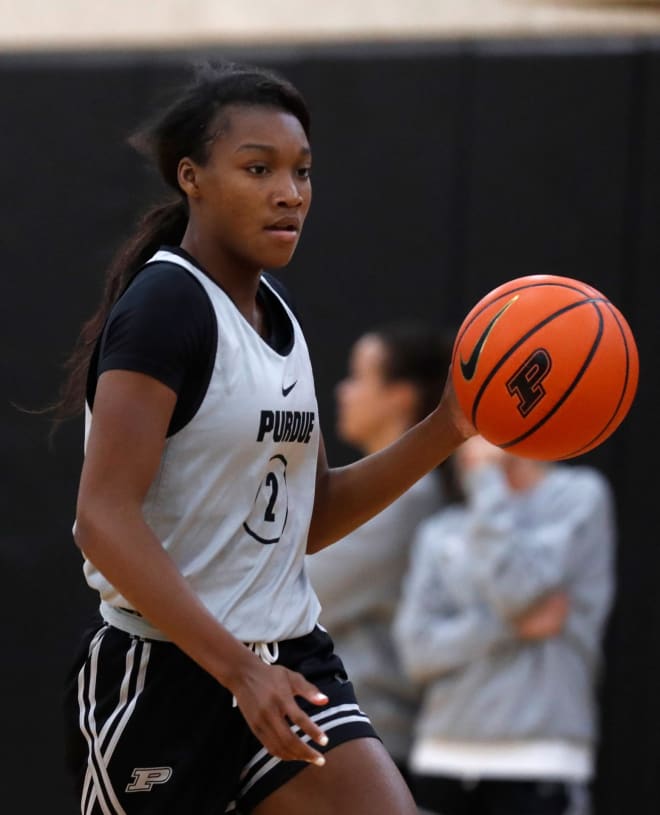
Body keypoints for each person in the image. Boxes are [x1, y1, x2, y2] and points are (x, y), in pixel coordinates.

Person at [55, 61, 474, 815]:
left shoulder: (276, 315)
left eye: (302, 172)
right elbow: (102, 516)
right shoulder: (165, 308)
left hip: (288, 656)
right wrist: (237, 672)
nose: (290, 192)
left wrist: (448, 425)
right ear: (193, 178)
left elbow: (309, 518)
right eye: (259, 168)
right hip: (165, 676)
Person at [393, 435, 616, 815]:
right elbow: (416, 651)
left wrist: (486, 480)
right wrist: (508, 629)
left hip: (539, 760)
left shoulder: (578, 498)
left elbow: (519, 590)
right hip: (442, 757)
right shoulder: (440, 531)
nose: (471, 444)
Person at [306, 321, 454, 781]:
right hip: (338, 728)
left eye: (358, 376)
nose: (343, 391)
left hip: (374, 733)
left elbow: (297, 589)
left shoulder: (411, 499)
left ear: (400, 396)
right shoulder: (378, 489)